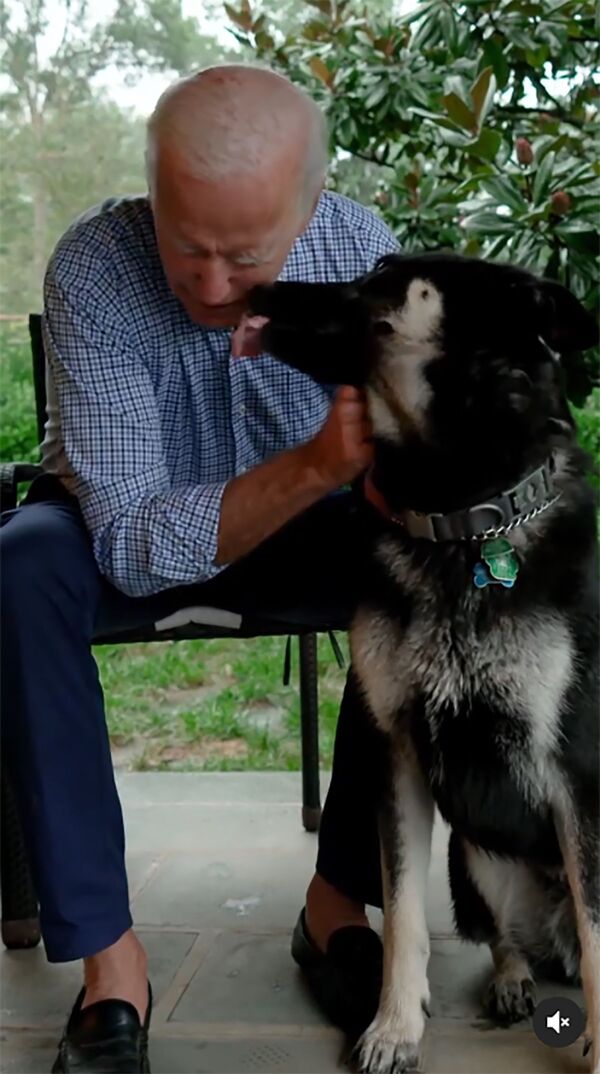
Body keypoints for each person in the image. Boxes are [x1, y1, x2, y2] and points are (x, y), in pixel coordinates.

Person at [1, 64, 398, 1072]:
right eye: (187, 249)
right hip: (112, 532)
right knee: (18, 564)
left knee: (413, 563)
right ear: (151, 192)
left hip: (306, 526)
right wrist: (316, 463)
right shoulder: (95, 263)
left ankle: (336, 900)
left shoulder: (363, 252)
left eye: (246, 256)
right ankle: (110, 962)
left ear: (309, 210)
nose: (215, 286)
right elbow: (132, 545)